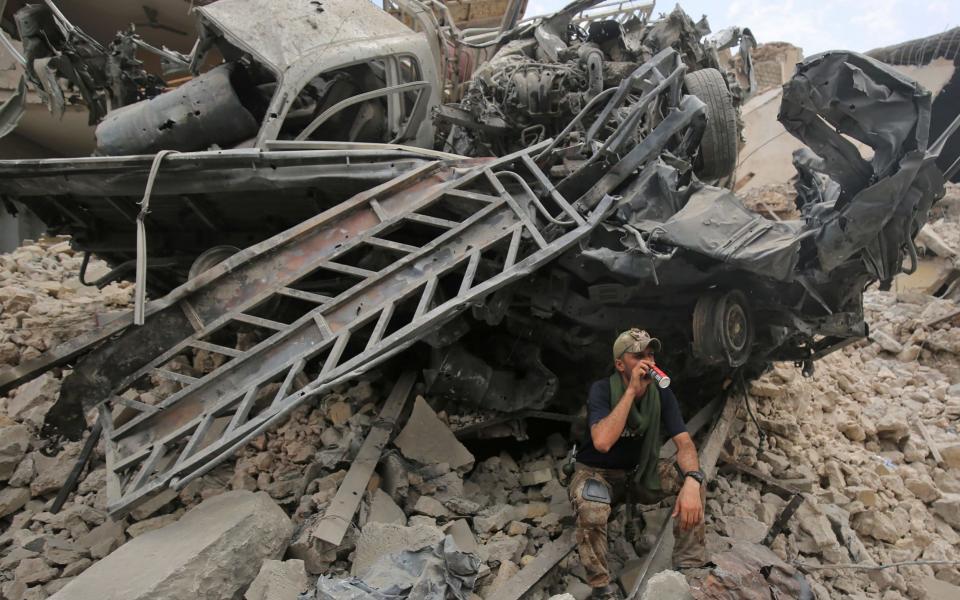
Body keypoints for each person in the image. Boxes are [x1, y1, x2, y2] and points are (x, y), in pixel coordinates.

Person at [568, 328, 707, 599]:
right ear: (620, 364)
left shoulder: (661, 393)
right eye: (639, 356)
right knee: (593, 506)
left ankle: (690, 565)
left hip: (638, 473)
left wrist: (692, 479)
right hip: (598, 474)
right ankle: (600, 586)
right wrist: (631, 390)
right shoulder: (602, 389)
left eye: (651, 354)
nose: (649, 361)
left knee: (694, 478)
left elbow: (685, 443)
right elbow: (603, 442)